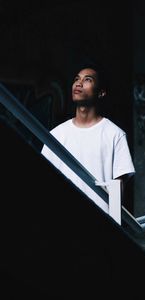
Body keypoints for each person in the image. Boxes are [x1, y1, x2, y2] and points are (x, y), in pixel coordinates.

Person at [41, 61, 135, 213]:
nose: (79, 83)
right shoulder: (56, 135)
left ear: (101, 92)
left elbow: (119, 186)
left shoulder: (114, 134)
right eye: (77, 79)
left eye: (87, 80)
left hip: (100, 223)